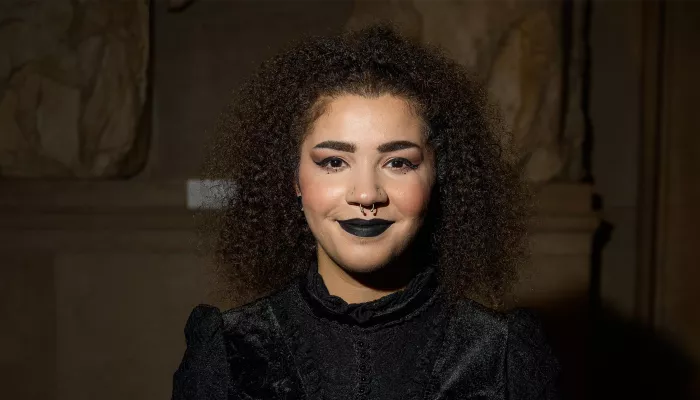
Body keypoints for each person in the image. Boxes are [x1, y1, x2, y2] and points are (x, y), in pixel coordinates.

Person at [172, 25, 560, 400]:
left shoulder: (502, 357)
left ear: (439, 177)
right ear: (293, 178)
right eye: (335, 162)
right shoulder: (228, 352)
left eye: (398, 163)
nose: (366, 194)